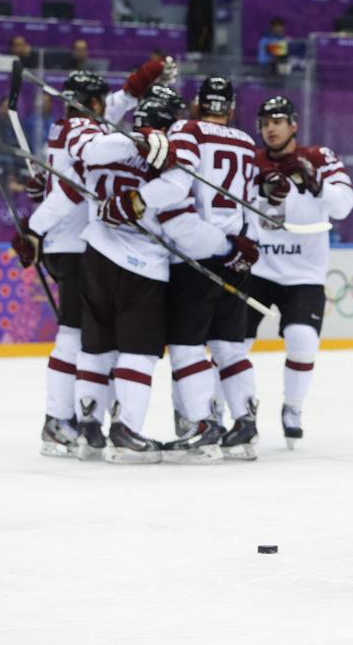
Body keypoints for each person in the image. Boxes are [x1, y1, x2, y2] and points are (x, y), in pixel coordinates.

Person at [8, 58, 179, 460]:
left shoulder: (74, 123)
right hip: (73, 243)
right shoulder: (82, 129)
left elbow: (117, 109)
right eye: (103, 101)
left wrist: (145, 76)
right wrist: (34, 227)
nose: (109, 105)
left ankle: (80, 422)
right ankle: (59, 421)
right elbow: (96, 148)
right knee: (73, 337)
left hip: (74, 239)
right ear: (93, 103)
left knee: (88, 338)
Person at [71, 86, 226, 463]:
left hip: (94, 256)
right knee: (138, 354)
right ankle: (126, 433)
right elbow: (177, 203)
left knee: (96, 347)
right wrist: (224, 247)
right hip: (142, 267)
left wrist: (131, 140)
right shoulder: (169, 163)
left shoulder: (105, 142)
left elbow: (85, 153)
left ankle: (87, 429)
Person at [245, 96, 353, 454]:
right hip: (259, 268)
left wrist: (318, 184)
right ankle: (237, 411)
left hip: (304, 273)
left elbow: (345, 206)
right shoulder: (251, 160)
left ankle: (292, 408)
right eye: (265, 122)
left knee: (302, 340)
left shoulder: (320, 158)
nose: (271, 128)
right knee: (232, 343)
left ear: (293, 124)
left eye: (278, 121)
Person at [158, 76, 262, 463]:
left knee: (187, 345)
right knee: (229, 346)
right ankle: (245, 425)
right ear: (231, 109)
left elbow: (176, 182)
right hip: (237, 254)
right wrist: (244, 250)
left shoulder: (185, 129)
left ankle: (202, 425)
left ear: (199, 103)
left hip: (195, 255)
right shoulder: (248, 142)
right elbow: (250, 203)